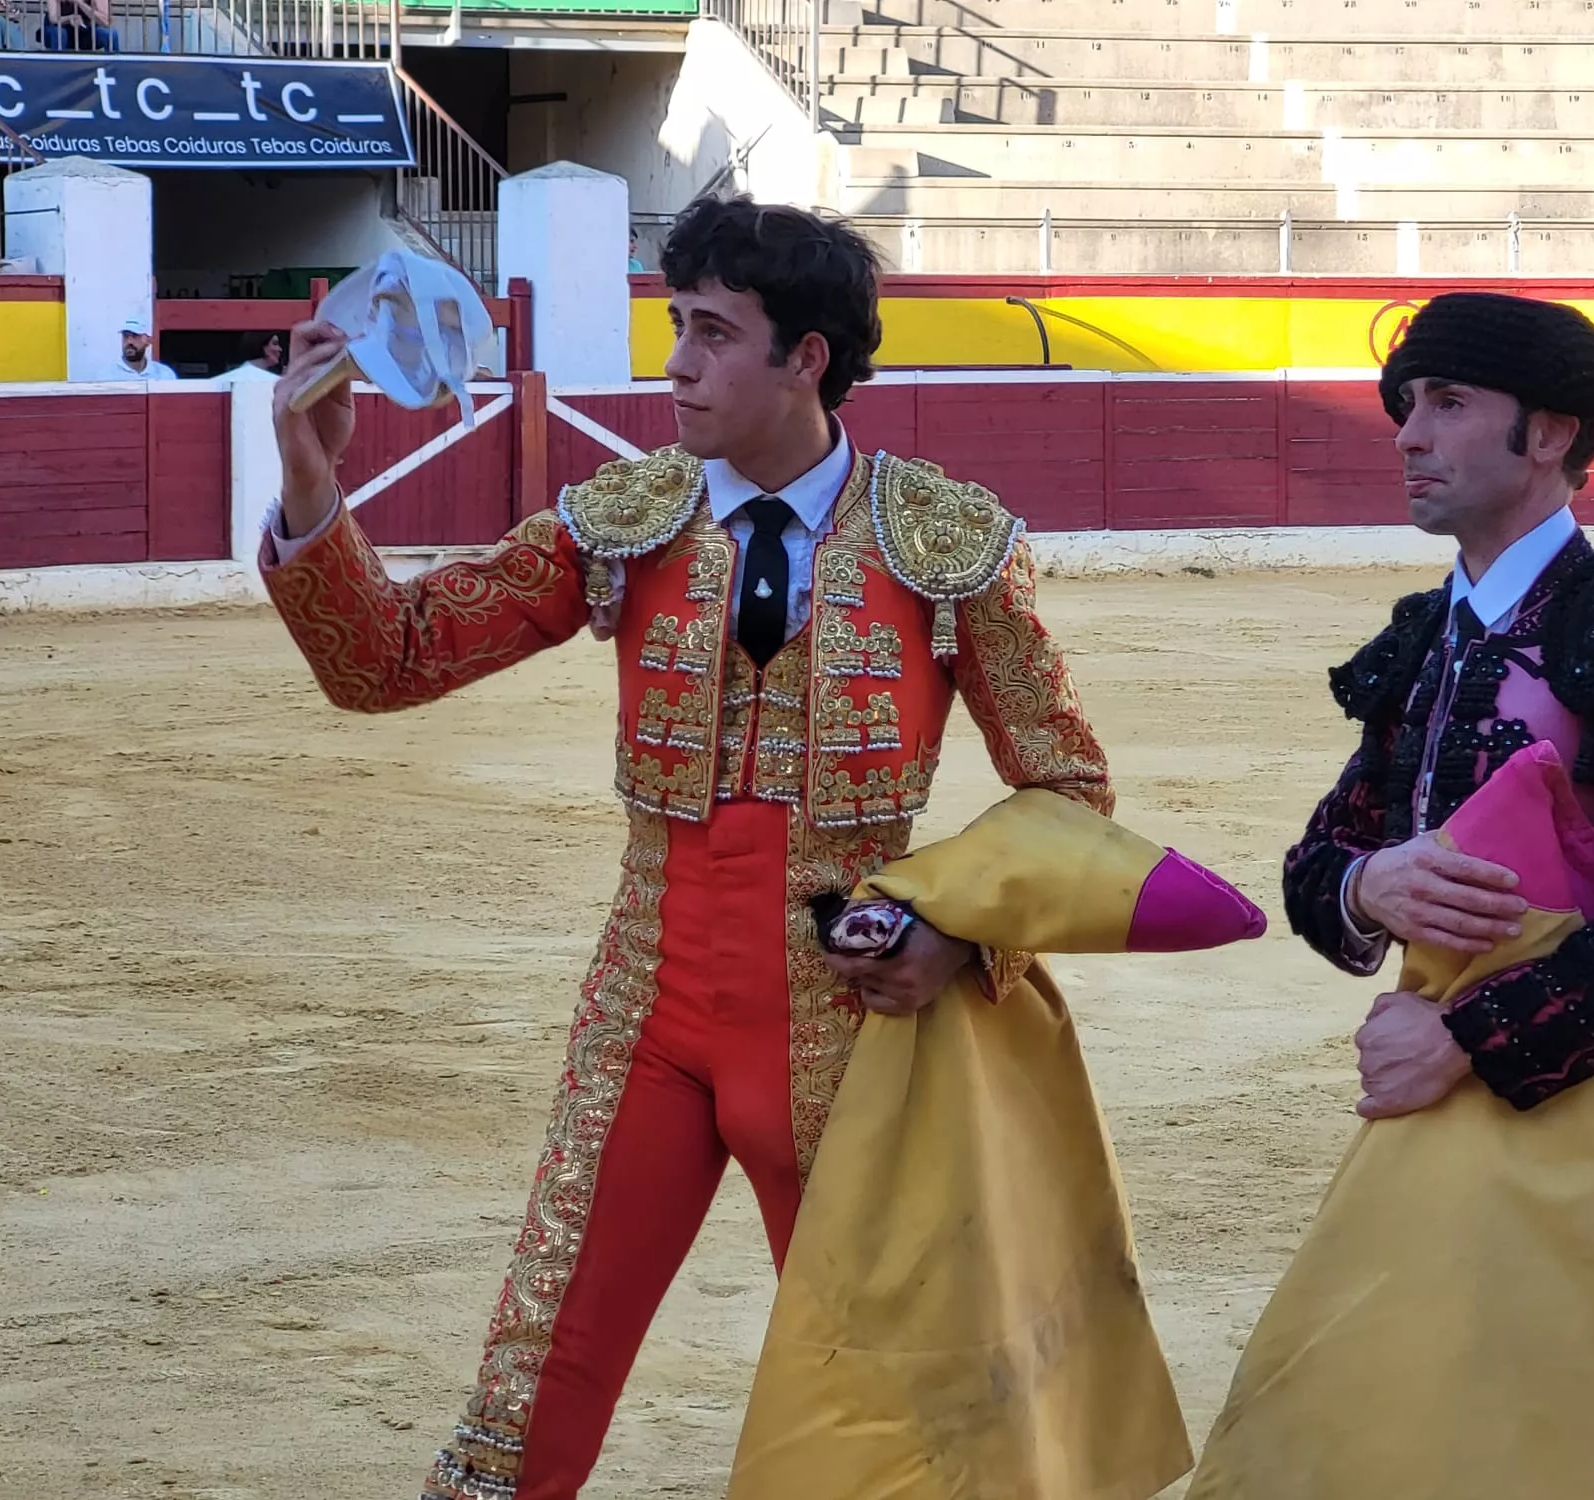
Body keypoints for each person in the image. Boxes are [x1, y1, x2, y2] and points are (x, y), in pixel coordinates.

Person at [259, 194, 1113, 1500]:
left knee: (887, 1408)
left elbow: (1066, 788)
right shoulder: (627, 518)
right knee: (536, 1372)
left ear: (807, 357)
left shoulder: (949, 545)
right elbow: (389, 659)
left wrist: (956, 931)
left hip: (854, 1025)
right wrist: (314, 486)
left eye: (713, 333)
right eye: (677, 324)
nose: (676, 363)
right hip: (646, 1009)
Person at [1282, 290, 1594, 1351]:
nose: (1408, 434)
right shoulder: (1422, 636)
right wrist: (1364, 886)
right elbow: (1320, 861)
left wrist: (1464, 1037)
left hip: (1588, 1113)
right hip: (1416, 1091)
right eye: (1405, 403)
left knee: (1548, 1434)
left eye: (1449, 402)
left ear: (1548, 432)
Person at [114, 315, 178, 380]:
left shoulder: (164, 375)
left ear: (148, 341)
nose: (129, 341)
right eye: (126, 336)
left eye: (135, 336)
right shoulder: (106, 375)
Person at [42, 0, 119, 50]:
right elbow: (53, 19)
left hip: (88, 31)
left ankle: (114, 69)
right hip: (62, 29)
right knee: (59, 33)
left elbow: (105, 21)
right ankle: (57, 68)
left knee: (111, 34)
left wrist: (80, 3)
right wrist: (69, 18)